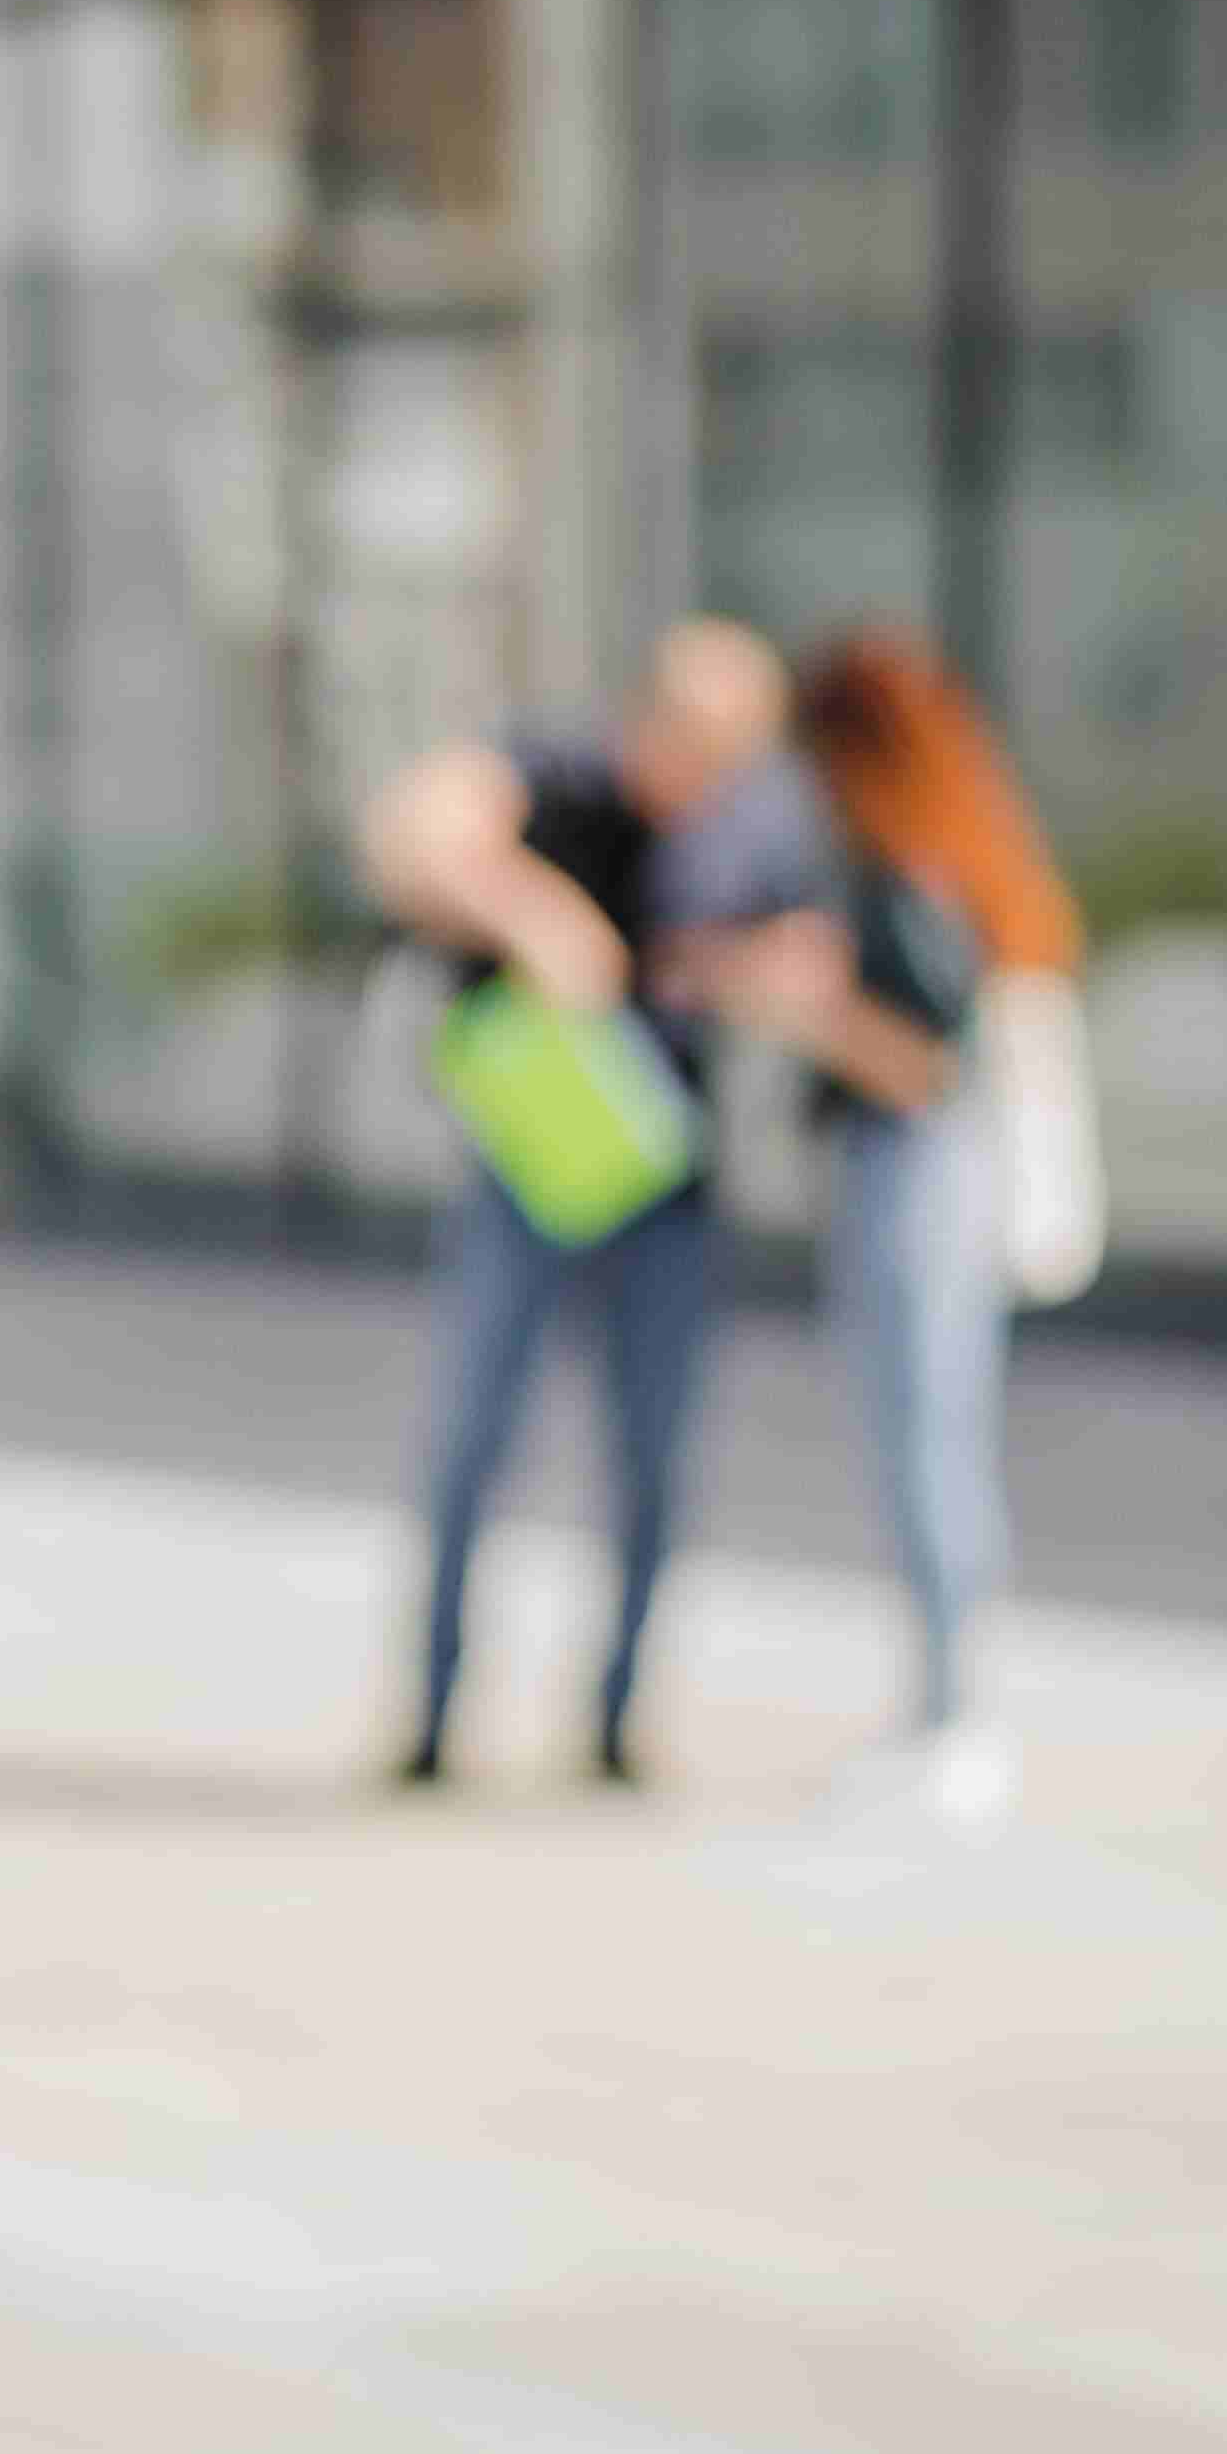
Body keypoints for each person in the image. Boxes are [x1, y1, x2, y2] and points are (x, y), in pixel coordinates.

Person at [357, 618, 844, 1785]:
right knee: (475, 1445)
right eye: (698, 742)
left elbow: (812, 960)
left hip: (664, 1187)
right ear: (653, 716)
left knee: (654, 1461)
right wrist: (537, 917)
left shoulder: (755, 827)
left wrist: (730, 973)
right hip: (526, 1170)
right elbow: (409, 834)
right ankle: (433, 1710)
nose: (711, 773)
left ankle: (620, 1716)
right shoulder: (552, 773)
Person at [789, 621, 1095, 1824]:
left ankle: (958, 1714)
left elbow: (928, 1065)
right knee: (933, 1435)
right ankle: (946, 1707)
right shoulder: (965, 845)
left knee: (927, 1437)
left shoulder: (905, 870)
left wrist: (805, 1002)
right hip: (934, 1173)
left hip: (916, 1173)